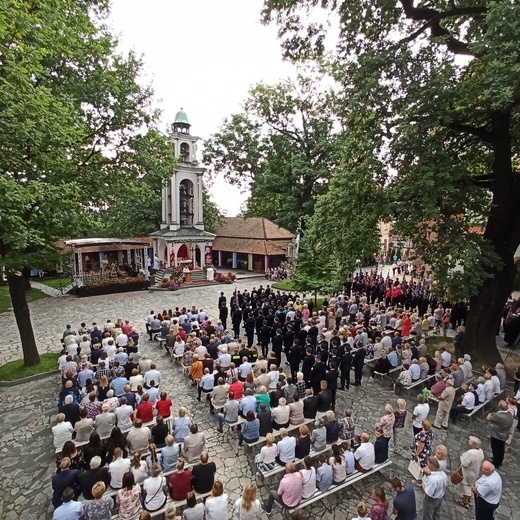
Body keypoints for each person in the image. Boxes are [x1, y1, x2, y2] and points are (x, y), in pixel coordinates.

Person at [458, 436, 485, 509]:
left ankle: (465, 502)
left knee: (466, 487)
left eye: (470, 441)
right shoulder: (480, 451)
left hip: (467, 473)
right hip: (475, 472)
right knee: (470, 486)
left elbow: (465, 463)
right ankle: (469, 500)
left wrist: (461, 457)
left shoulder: (471, 453)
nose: (468, 442)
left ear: (473, 444)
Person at [486, 400, 513, 468]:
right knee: (501, 449)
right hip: (504, 435)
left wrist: (490, 414)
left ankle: (495, 463)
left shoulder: (499, 416)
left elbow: (489, 417)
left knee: (495, 448)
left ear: (499, 407)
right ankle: (499, 460)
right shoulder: (509, 414)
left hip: (497, 435)